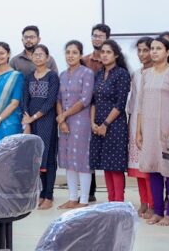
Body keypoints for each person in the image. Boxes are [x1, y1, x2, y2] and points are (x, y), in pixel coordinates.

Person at [136, 37, 169, 226]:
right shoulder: (146, 74)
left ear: (168, 51)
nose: (154, 52)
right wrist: (139, 132)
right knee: (153, 169)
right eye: (152, 48)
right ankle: (157, 211)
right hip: (148, 130)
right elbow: (140, 105)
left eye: (158, 48)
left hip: (167, 129)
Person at [89, 40, 131, 202]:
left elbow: (120, 104)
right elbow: (93, 101)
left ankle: (118, 203)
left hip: (115, 125)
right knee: (106, 165)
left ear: (116, 55)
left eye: (108, 52)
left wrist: (105, 124)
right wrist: (93, 123)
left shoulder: (122, 74)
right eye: (103, 52)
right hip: (98, 125)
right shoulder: (99, 74)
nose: (105, 55)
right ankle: (110, 202)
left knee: (115, 166)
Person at [56, 40, 95, 210]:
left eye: (74, 52)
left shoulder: (87, 73)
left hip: (81, 122)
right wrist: (62, 120)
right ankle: (72, 198)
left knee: (82, 160)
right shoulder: (63, 75)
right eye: (68, 52)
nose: (70, 56)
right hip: (64, 122)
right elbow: (58, 99)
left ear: (80, 55)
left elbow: (85, 99)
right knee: (68, 159)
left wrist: (63, 116)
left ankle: (84, 200)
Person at [21, 44, 60, 210]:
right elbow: (25, 99)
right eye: (35, 55)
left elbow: (50, 101)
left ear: (47, 57)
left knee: (48, 158)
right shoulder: (29, 77)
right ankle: (41, 194)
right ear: (31, 57)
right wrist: (27, 120)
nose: (37, 57)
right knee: (36, 159)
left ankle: (49, 195)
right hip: (31, 122)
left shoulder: (52, 77)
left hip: (47, 122)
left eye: (41, 54)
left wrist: (34, 117)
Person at [81, 23, 110, 203]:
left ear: (107, 38)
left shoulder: (113, 60)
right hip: (85, 111)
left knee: (109, 152)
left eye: (100, 36)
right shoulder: (84, 60)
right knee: (87, 151)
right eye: (94, 35)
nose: (97, 39)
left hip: (107, 111)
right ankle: (89, 191)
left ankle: (114, 196)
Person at [127, 37, 154, 218]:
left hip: (151, 122)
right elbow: (133, 101)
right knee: (138, 167)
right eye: (140, 50)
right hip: (135, 121)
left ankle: (153, 203)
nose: (142, 54)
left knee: (149, 167)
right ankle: (143, 201)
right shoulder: (136, 74)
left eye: (146, 50)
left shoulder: (157, 73)